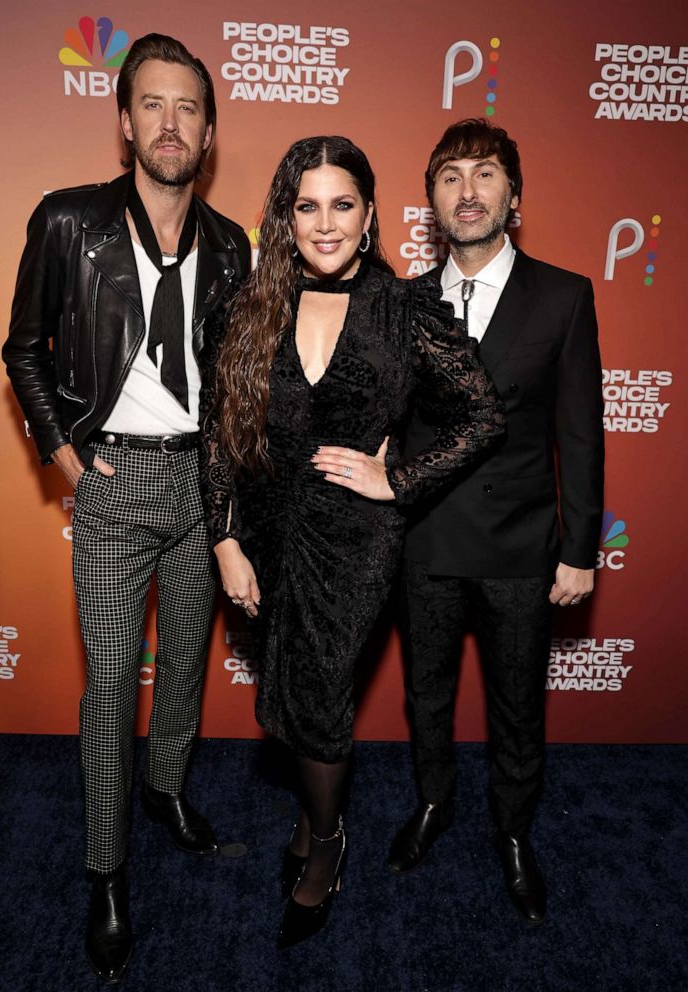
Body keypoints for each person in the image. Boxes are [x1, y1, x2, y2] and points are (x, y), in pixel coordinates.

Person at [199, 134, 505, 947]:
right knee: (289, 696)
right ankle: (310, 821)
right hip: (265, 532)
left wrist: (397, 481)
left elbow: (483, 415)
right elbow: (219, 434)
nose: (325, 224)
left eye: (342, 205)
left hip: (355, 540)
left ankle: (325, 848)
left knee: (323, 700)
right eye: (307, 206)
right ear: (284, 216)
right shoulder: (247, 304)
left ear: (369, 216)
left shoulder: (402, 309)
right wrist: (226, 540)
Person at [3, 34, 250, 982]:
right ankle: (106, 873)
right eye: (152, 104)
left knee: (185, 663)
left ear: (210, 131)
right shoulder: (69, 221)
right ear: (123, 122)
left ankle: (165, 793)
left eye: (188, 107)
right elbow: (22, 349)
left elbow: (235, 383)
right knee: (112, 685)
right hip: (109, 485)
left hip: (200, 485)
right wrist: (64, 453)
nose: (171, 123)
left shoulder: (230, 245)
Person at [387, 119, 604, 925]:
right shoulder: (404, 301)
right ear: (431, 199)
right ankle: (433, 804)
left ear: (513, 196)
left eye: (484, 175)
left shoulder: (564, 295)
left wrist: (578, 550)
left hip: (520, 544)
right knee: (427, 696)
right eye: (448, 176)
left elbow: (579, 433)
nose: (466, 191)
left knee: (517, 705)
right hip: (425, 542)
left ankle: (513, 834)